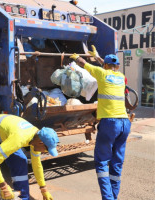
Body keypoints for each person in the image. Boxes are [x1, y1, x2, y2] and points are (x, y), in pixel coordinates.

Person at [70, 46, 131, 200]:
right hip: (124, 123)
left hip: (110, 124)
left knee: (102, 162)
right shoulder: (121, 77)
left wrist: (76, 57)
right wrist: (97, 56)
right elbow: (108, 65)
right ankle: (113, 197)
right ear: (117, 67)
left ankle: (108, 198)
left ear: (105, 66)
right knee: (116, 163)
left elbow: (84, 64)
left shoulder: (101, 73)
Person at [0, 114, 59, 200]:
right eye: (47, 150)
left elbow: (37, 165)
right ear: (41, 143)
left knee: (20, 162)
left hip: (4, 135)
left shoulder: (36, 137)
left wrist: (44, 189)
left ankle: (23, 198)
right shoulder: (19, 138)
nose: (45, 152)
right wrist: (3, 186)